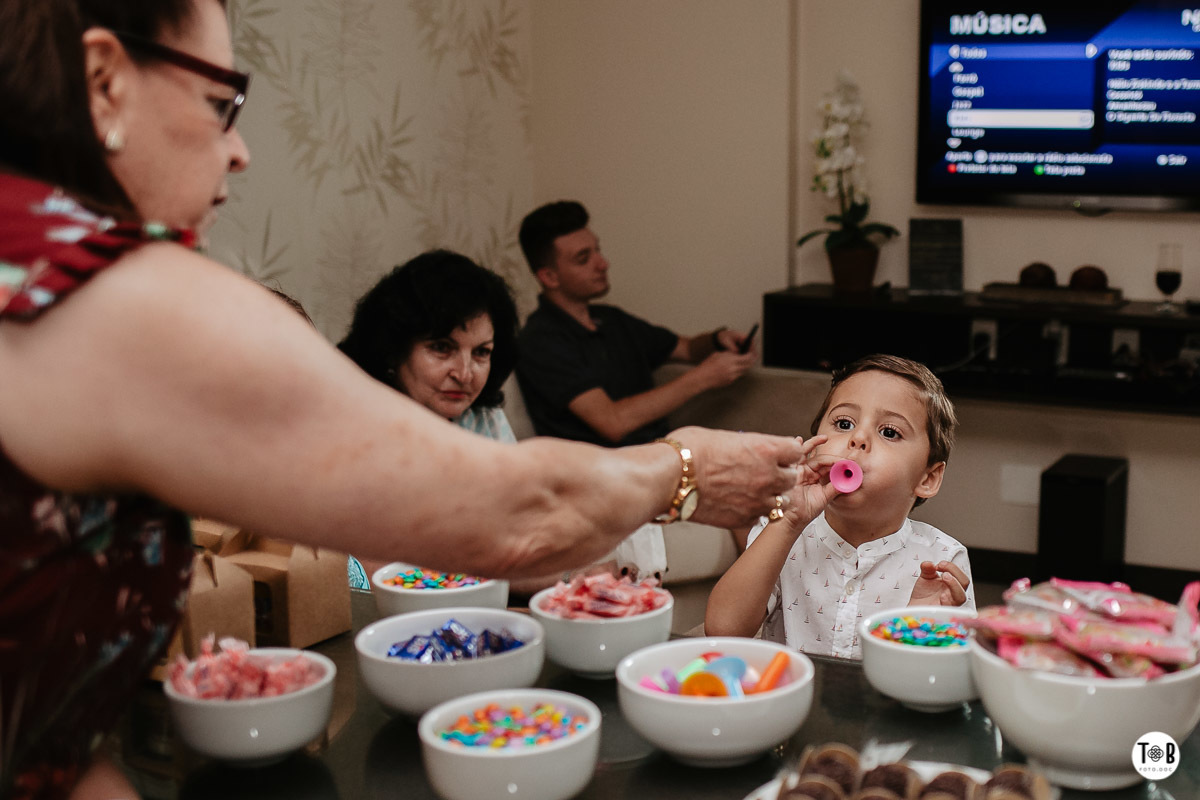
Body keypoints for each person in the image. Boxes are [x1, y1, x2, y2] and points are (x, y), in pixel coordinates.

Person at [0, 3, 810, 797]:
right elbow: (513, 513)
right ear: (104, 80)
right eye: (222, 103)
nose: (240, 150)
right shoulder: (121, 302)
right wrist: (686, 470)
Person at [705, 355, 975, 659]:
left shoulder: (942, 560)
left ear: (927, 478)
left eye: (889, 432)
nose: (858, 438)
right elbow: (722, 631)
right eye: (844, 423)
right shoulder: (781, 532)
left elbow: (943, 679)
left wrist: (919, 629)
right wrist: (788, 522)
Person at [338, 250, 520, 587]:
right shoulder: (354, 427)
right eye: (442, 347)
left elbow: (519, 525)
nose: (465, 374)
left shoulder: (485, 418)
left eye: (481, 352)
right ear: (393, 349)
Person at [516, 200, 757, 447]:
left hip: (660, 456)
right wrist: (704, 377)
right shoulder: (540, 340)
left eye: (597, 250)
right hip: (603, 471)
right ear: (549, 276)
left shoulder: (610, 319)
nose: (602, 263)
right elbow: (612, 422)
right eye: (583, 258)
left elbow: (686, 348)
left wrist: (717, 339)